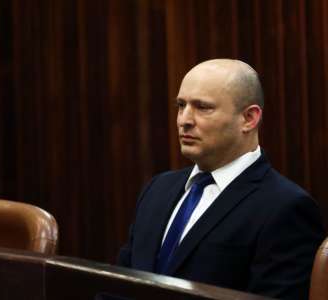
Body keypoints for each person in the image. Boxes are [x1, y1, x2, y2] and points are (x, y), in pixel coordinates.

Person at [117, 59, 325, 299]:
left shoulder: (286, 208)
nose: (184, 120)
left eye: (202, 107)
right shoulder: (157, 189)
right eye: (181, 105)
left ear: (249, 118)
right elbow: (118, 287)